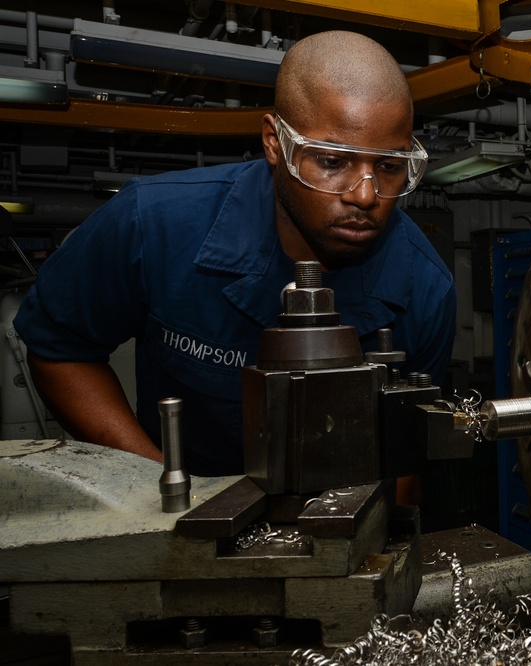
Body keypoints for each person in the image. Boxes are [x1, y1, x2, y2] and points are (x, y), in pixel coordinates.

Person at [13, 31, 456, 477]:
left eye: (389, 166)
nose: (365, 196)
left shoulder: (426, 287)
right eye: (332, 161)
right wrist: (160, 492)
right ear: (274, 143)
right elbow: (59, 350)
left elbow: (405, 449)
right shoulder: (153, 224)